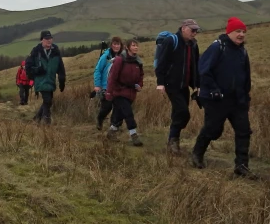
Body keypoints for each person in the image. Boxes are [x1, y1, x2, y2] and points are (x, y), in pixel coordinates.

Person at [190, 17, 256, 178]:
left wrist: (246, 95)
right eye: (238, 31)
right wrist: (214, 89)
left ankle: (241, 166)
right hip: (216, 99)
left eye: (243, 32)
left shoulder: (243, 51)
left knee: (243, 131)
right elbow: (204, 70)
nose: (241, 35)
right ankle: (197, 154)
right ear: (229, 32)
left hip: (237, 99)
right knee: (212, 129)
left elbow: (246, 75)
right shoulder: (217, 47)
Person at [155, 19, 201, 155]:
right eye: (192, 30)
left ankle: (172, 141)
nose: (195, 33)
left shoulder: (193, 45)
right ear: (183, 28)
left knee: (179, 113)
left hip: (184, 86)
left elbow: (195, 67)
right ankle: (173, 140)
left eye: (196, 30)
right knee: (183, 113)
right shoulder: (172, 41)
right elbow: (161, 63)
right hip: (171, 84)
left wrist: (197, 85)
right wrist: (160, 83)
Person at [104, 38, 144, 146]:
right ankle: (134, 135)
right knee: (128, 113)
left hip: (131, 92)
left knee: (119, 114)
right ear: (127, 47)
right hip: (119, 92)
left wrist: (140, 85)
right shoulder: (119, 60)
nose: (136, 47)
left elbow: (141, 76)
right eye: (133, 45)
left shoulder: (138, 61)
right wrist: (109, 92)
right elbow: (112, 77)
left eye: (136, 45)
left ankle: (111, 132)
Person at [26, 30, 66, 125]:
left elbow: (61, 67)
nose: (49, 41)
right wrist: (37, 71)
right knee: (47, 100)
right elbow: (28, 67)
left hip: (51, 80)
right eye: (46, 39)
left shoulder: (55, 50)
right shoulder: (36, 51)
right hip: (41, 81)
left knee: (47, 101)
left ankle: (36, 119)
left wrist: (62, 80)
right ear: (41, 40)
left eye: (50, 38)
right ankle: (46, 123)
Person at [93, 36, 124, 130]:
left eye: (118, 44)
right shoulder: (105, 56)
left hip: (119, 86)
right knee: (107, 107)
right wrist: (97, 85)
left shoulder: (123, 56)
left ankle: (114, 126)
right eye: (114, 44)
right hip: (106, 86)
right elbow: (98, 70)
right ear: (111, 45)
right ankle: (100, 119)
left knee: (119, 107)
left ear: (121, 45)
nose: (116, 46)